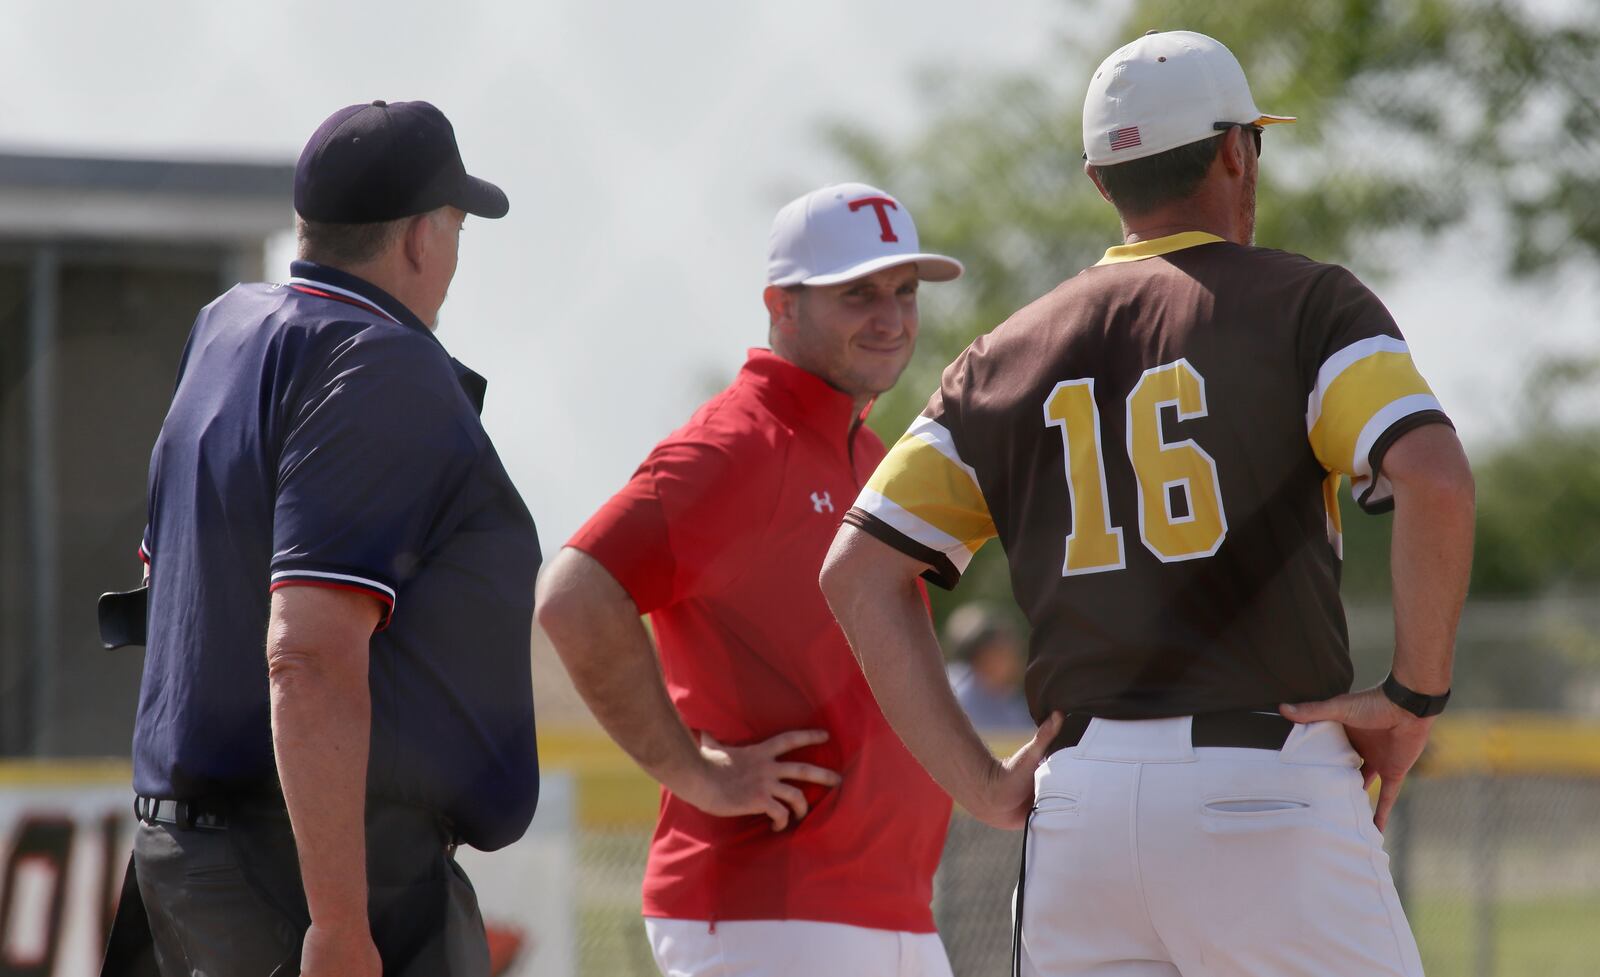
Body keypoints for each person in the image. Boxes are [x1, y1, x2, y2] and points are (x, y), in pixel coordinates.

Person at [821, 30, 1474, 977]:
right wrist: (1412, 696)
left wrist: (978, 783)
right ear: (1234, 151)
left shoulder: (1003, 355)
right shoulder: (1308, 305)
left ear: (1099, 182)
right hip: (1264, 781)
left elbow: (856, 571)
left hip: (1078, 809)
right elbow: (1434, 477)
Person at [111, 100, 541, 977]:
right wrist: (338, 920)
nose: (454, 253)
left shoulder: (227, 329)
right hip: (313, 879)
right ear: (421, 238)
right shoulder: (378, 359)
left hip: (186, 852)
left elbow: (161, 594)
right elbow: (306, 653)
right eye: (455, 225)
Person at [537, 183, 964, 976]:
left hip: (882, 908)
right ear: (782, 306)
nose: (892, 316)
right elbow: (573, 594)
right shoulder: (734, 446)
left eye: (905, 291)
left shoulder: (869, 454)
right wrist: (694, 773)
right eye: (858, 293)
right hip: (769, 910)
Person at [944, 604, 1033, 731]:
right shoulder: (952, 691)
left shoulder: (1013, 704)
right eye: (1003, 648)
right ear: (983, 653)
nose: (1015, 655)